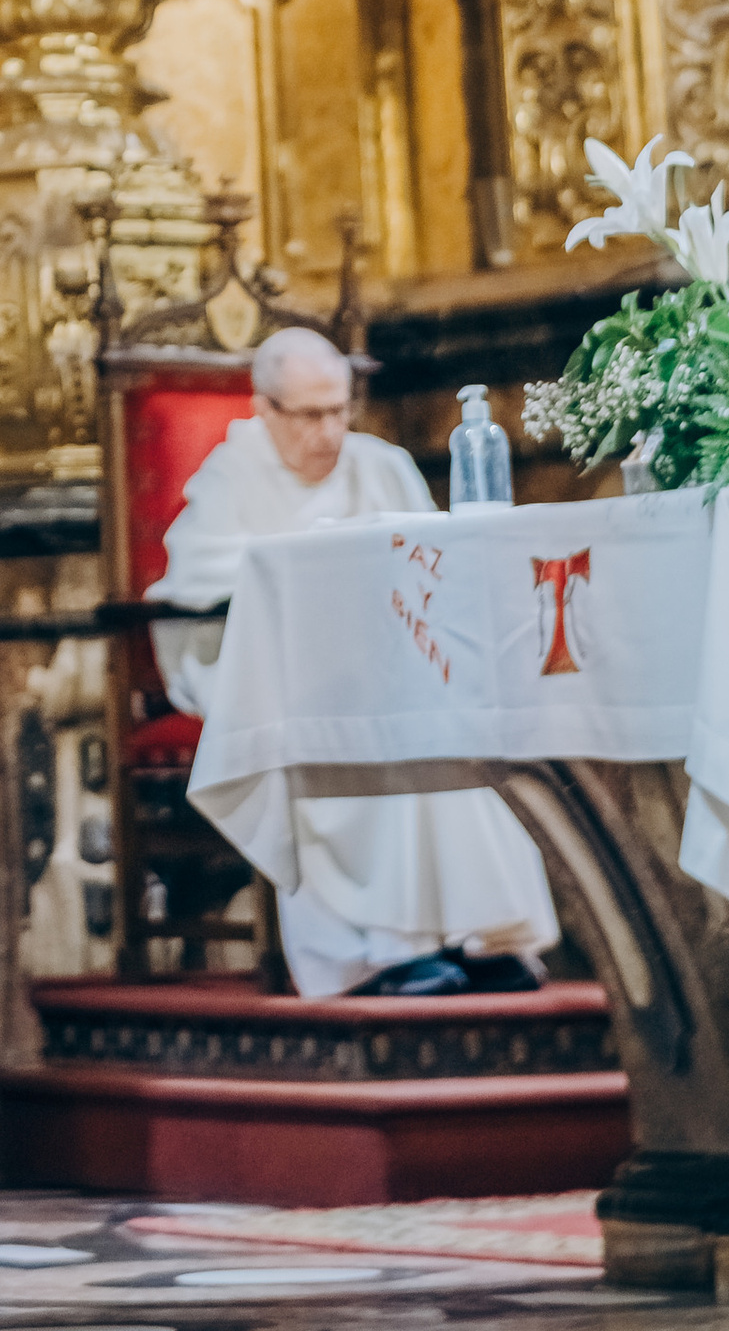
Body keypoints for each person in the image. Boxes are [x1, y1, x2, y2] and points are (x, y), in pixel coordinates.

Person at [149, 328, 559, 999]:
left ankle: (482, 934)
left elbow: (438, 564)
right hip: (269, 671)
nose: (330, 432)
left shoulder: (382, 465)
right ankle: (367, 954)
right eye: (311, 415)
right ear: (266, 410)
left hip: (391, 664)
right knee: (347, 717)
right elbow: (193, 577)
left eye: (340, 410)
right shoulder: (231, 475)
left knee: (454, 717)